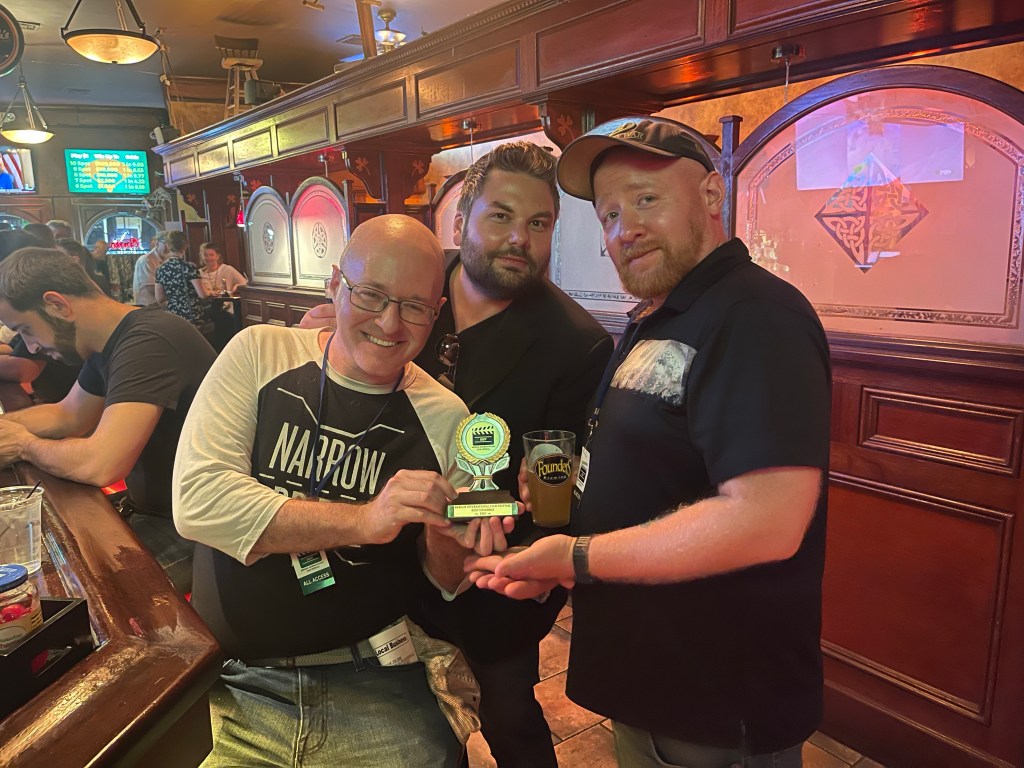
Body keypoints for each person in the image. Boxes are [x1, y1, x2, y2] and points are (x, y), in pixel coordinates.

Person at [468, 117, 831, 767]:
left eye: (646, 199)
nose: (624, 229)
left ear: (712, 195)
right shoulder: (664, 315)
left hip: (714, 703)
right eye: (609, 214)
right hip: (656, 685)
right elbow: (656, 467)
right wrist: (572, 506)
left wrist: (578, 556)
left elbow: (768, 518)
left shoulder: (754, 314)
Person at [299, 142, 613, 767]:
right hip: (374, 551)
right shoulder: (408, 279)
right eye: (501, 216)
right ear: (462, 218)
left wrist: (507, 513)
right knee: (405, 717)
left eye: (539, 222)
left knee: (508, 717)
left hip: (487, 573)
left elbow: (552, 496)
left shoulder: (575, 344)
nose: (519, 237)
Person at [173, 214, 510, 766]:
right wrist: (367, 520)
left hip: (377, 679)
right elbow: (200, 501)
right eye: (370, 295)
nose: (390, 323)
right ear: (335, 284)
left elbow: (445, 580)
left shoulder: (448, 416)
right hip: (233, 683)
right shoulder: (258, 352)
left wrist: (452, 537)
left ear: (437, 313)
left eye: (414, 307)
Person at [0, 247, 216, 592]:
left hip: (195, 528)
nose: (32, 346)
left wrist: (24, 445)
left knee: (63, 595)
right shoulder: (111, 341)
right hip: (153, 509)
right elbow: (67, 415)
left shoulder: (149, 339)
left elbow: (102, 464)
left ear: (57, 305)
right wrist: (7, 430)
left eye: (26, 329)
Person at [154, 231, 205, 327]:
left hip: (172, 314)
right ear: (185, 246)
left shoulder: (160, 269)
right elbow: (202, 295)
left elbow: (159, 298)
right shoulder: (189, 267)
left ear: (168, 246)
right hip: (191, 314)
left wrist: (174, 298)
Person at [132, 232, 168, 306]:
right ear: (157, 243)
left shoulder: (167, 260)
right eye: (166, 244)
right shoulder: (146, 260)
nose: (169, 248)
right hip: (148, 307)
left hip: (160, 307)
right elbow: (152, 288)